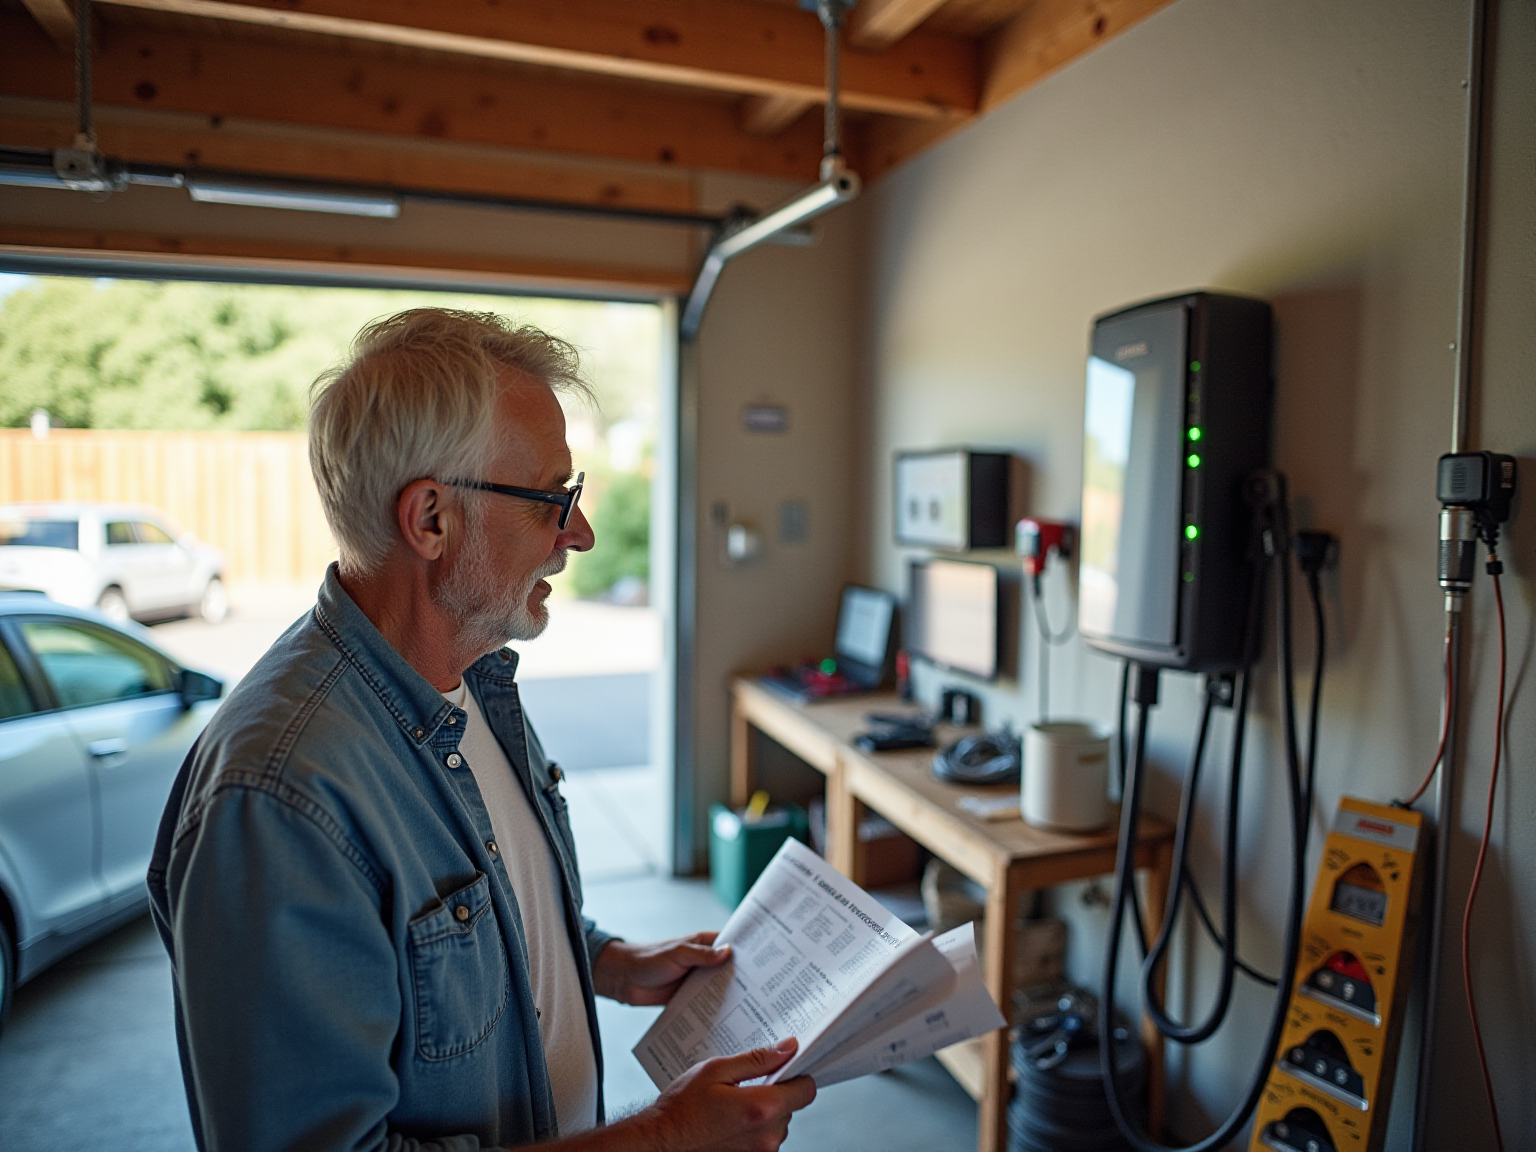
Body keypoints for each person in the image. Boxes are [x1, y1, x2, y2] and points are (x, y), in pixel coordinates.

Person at [148, 309, 816, 1152]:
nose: (580, 533)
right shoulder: (282, 799)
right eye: (552, 499)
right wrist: (665, 1138)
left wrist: (606, 960)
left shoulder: (470, 678)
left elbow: (463, 924)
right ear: (430, 520)